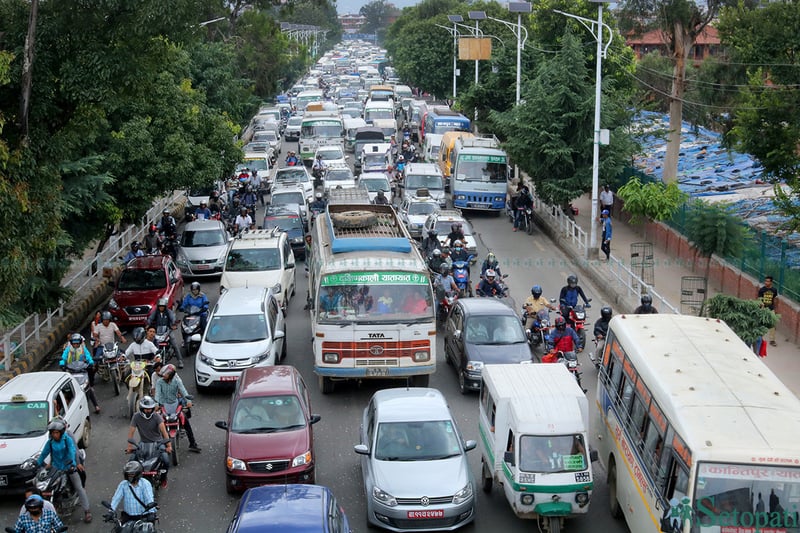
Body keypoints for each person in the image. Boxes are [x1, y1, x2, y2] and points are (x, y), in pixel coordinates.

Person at [37, 418, 92, 523]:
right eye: (53, 433)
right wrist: (37, 463)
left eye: (56, 432)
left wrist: (73, 464)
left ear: (61, 432)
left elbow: (72, 451)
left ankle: (87, 510)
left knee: (79, 487)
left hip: (68, 467)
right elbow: (44, 453)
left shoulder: (67, 439)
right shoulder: (50, 442)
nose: (54, 435)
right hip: (56, 468)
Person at [154, 365, 201, 453]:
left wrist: (188, 401)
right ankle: (156, 445)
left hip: (175, 405)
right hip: (164, 406)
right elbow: (157, 394)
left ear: (171, 375)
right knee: (158, 424)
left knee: (186, 422)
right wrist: (156, 404)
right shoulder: (159, 382)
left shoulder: (176, 381)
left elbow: (183, 391)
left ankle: (193, 444)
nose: (163, 375)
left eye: (166, 374)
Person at [126, 396, 172, 486]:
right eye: (146, 409)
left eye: (150, 409)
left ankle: (163, 478)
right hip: (143, 443)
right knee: (131, 462)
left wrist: (168, 445)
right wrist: (129, 447)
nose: (149, 411)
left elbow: (163, 431)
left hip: (158, 443)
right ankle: (132, 483)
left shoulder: (157, 416)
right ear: (142, 408)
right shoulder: (136, 417)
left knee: (166, 460)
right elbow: (131, 432)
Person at [60, 333, 101, 413]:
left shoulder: (83, 349)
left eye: (77, 343)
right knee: (66, 389)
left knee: (88, 387)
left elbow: (88, 356)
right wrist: (62, 363)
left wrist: (91, 362)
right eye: (74, 343)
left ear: (79, 343)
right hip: (71, 370)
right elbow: (63, 357)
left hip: (82, 370)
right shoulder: (68, 349)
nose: (75, 345)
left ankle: (96, 405)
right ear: (71, 343)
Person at [108, 461, 156, 525]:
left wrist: (151, 513)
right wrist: (111, 511)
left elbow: (149, 499)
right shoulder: (123, 484)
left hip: (143, 517)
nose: (130, 476)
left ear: (138, 474)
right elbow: (116, 499)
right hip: (128, 517)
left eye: (132, 474)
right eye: (128, 474)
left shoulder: (145, 484)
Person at [146, 298, 183, 367]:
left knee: (174, 344)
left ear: (165, 307)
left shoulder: (168, 312)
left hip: (167, 331)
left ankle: (180, 360)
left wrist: (174, 324)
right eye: (160, 306)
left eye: (162, 306)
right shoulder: (155, 312)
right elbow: (150, 318)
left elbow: (173, 318)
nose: (161, 308)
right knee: (150, 343)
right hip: (158, 331)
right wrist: (148, 323)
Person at [758, 276, 778, 346]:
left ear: (771, 282)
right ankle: (759, 338)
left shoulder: (774, 290)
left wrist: (775, 309)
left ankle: (772, 340)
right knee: (761, 324)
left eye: (768, 281)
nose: (766, 282)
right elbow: (759, 299)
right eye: (765, 281)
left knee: (773, 324)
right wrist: (762, 306)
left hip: (771, 309)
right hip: (763, 309)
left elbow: (775, 299)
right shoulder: (762, 290)